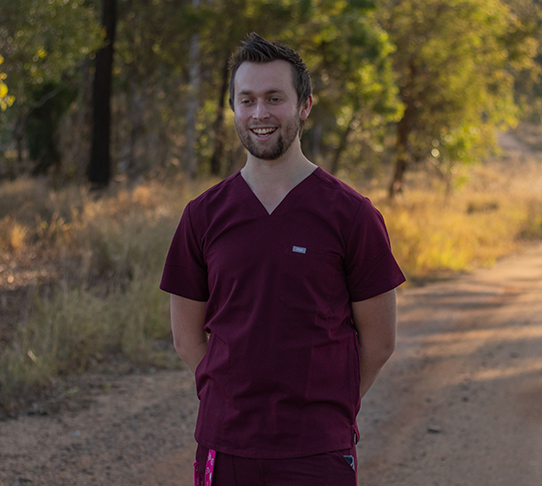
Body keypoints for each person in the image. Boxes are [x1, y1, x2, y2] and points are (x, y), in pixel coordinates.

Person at [160, 32, 405, 486]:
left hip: (317, 449)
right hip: (225, 445)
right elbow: (186, 338)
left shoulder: (351, 214)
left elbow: (380, 342)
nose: (260, 114)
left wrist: (329, 408)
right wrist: (232, 400)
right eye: (246, 100)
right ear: (233, 107)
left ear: (305, 105)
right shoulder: (203, 214)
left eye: (275, 98)